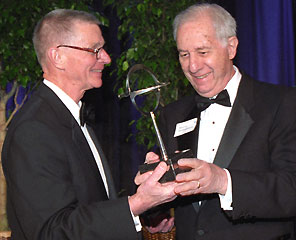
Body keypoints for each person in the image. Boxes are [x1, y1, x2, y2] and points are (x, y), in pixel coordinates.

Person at [1, 9, 177, 240]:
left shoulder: (72, 115)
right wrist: (135, 204)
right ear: (58, 57)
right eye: (95, 50)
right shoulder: (33, 130)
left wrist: (143, 213)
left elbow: (89, 206)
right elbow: (52, 231)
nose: (106, 58)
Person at [141, 3, 296, 240]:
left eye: (203, 52)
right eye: (184, 54)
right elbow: (175, 202)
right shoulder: (172, 115)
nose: (193, 66)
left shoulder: (282, 103)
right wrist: (155, 208)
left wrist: (222, 181)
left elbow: (293, 189)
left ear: (231, 47)